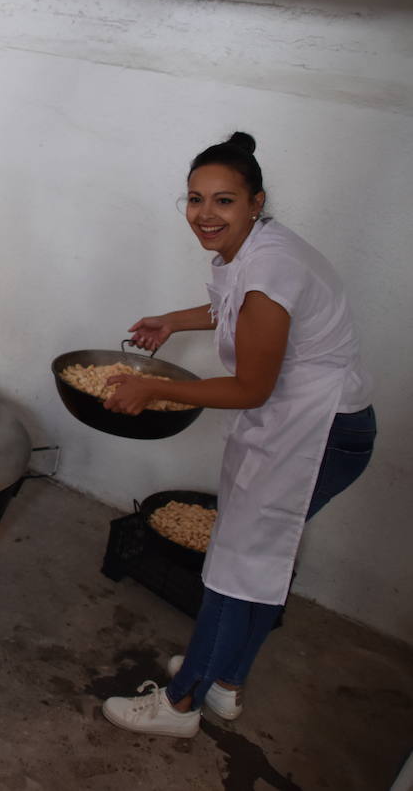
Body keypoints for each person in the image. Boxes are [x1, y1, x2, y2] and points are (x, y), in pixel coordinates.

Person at [100, 132, 376, 738]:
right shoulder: (254, 248)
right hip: (313, 424)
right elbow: (234, 308)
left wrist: (155, 389)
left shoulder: (271, 267)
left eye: (223, 201)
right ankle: (224, 684)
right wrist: (174, 320)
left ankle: (179, 703)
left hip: (319, 434)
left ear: (257, 201)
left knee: (235, 569)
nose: (205, 215)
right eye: (195, 199)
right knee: (260, 559)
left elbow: (250, 386)